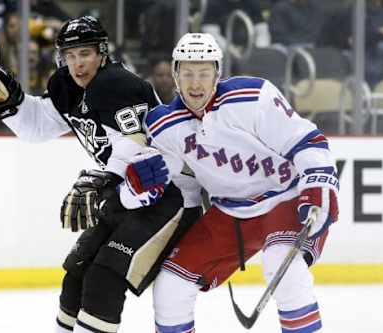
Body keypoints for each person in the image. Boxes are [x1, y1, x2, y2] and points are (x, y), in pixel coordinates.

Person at [0, 16, 201, 333]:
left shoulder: (119, 86)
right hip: (127, 194)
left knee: (103, 277)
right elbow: (39, 126)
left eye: (85, 54)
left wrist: (103, 179)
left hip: (169, 196)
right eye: (70, 56)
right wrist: (12, 103)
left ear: (102, 54)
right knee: (76, 274)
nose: (78, 64)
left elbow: (144, 154)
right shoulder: (67, 86)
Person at [142, 33, 339, 333]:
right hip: (231, 215)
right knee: (170, 285)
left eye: (204, 74)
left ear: (217, 74)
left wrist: (319, 184)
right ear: (175, 74)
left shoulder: (252, 96)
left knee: (283, 267)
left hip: (284, 200)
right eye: (188, 73)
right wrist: (134, 188)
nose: (196, 83)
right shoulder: (163, 126)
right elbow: (171, 186)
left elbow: (306, 140)